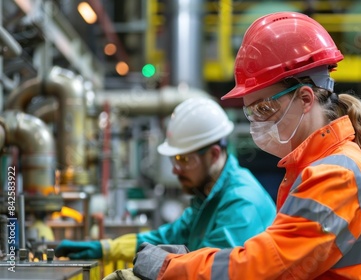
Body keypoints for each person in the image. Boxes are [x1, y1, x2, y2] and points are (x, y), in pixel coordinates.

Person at [127, 11, 361, 280]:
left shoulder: (336, 175)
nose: (256, 124)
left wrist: (169, 268)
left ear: (306, 98)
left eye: (264, 109)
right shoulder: (318, 169)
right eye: (251, 112)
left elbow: (262, 268)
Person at [55, 97, 277, 262]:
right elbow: (167, 236)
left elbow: (210, 271)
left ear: (214, 155)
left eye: (183, 160)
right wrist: (107, 248)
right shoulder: (210, 196)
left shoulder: (240, 204)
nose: (175, 170)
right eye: (174, 160)